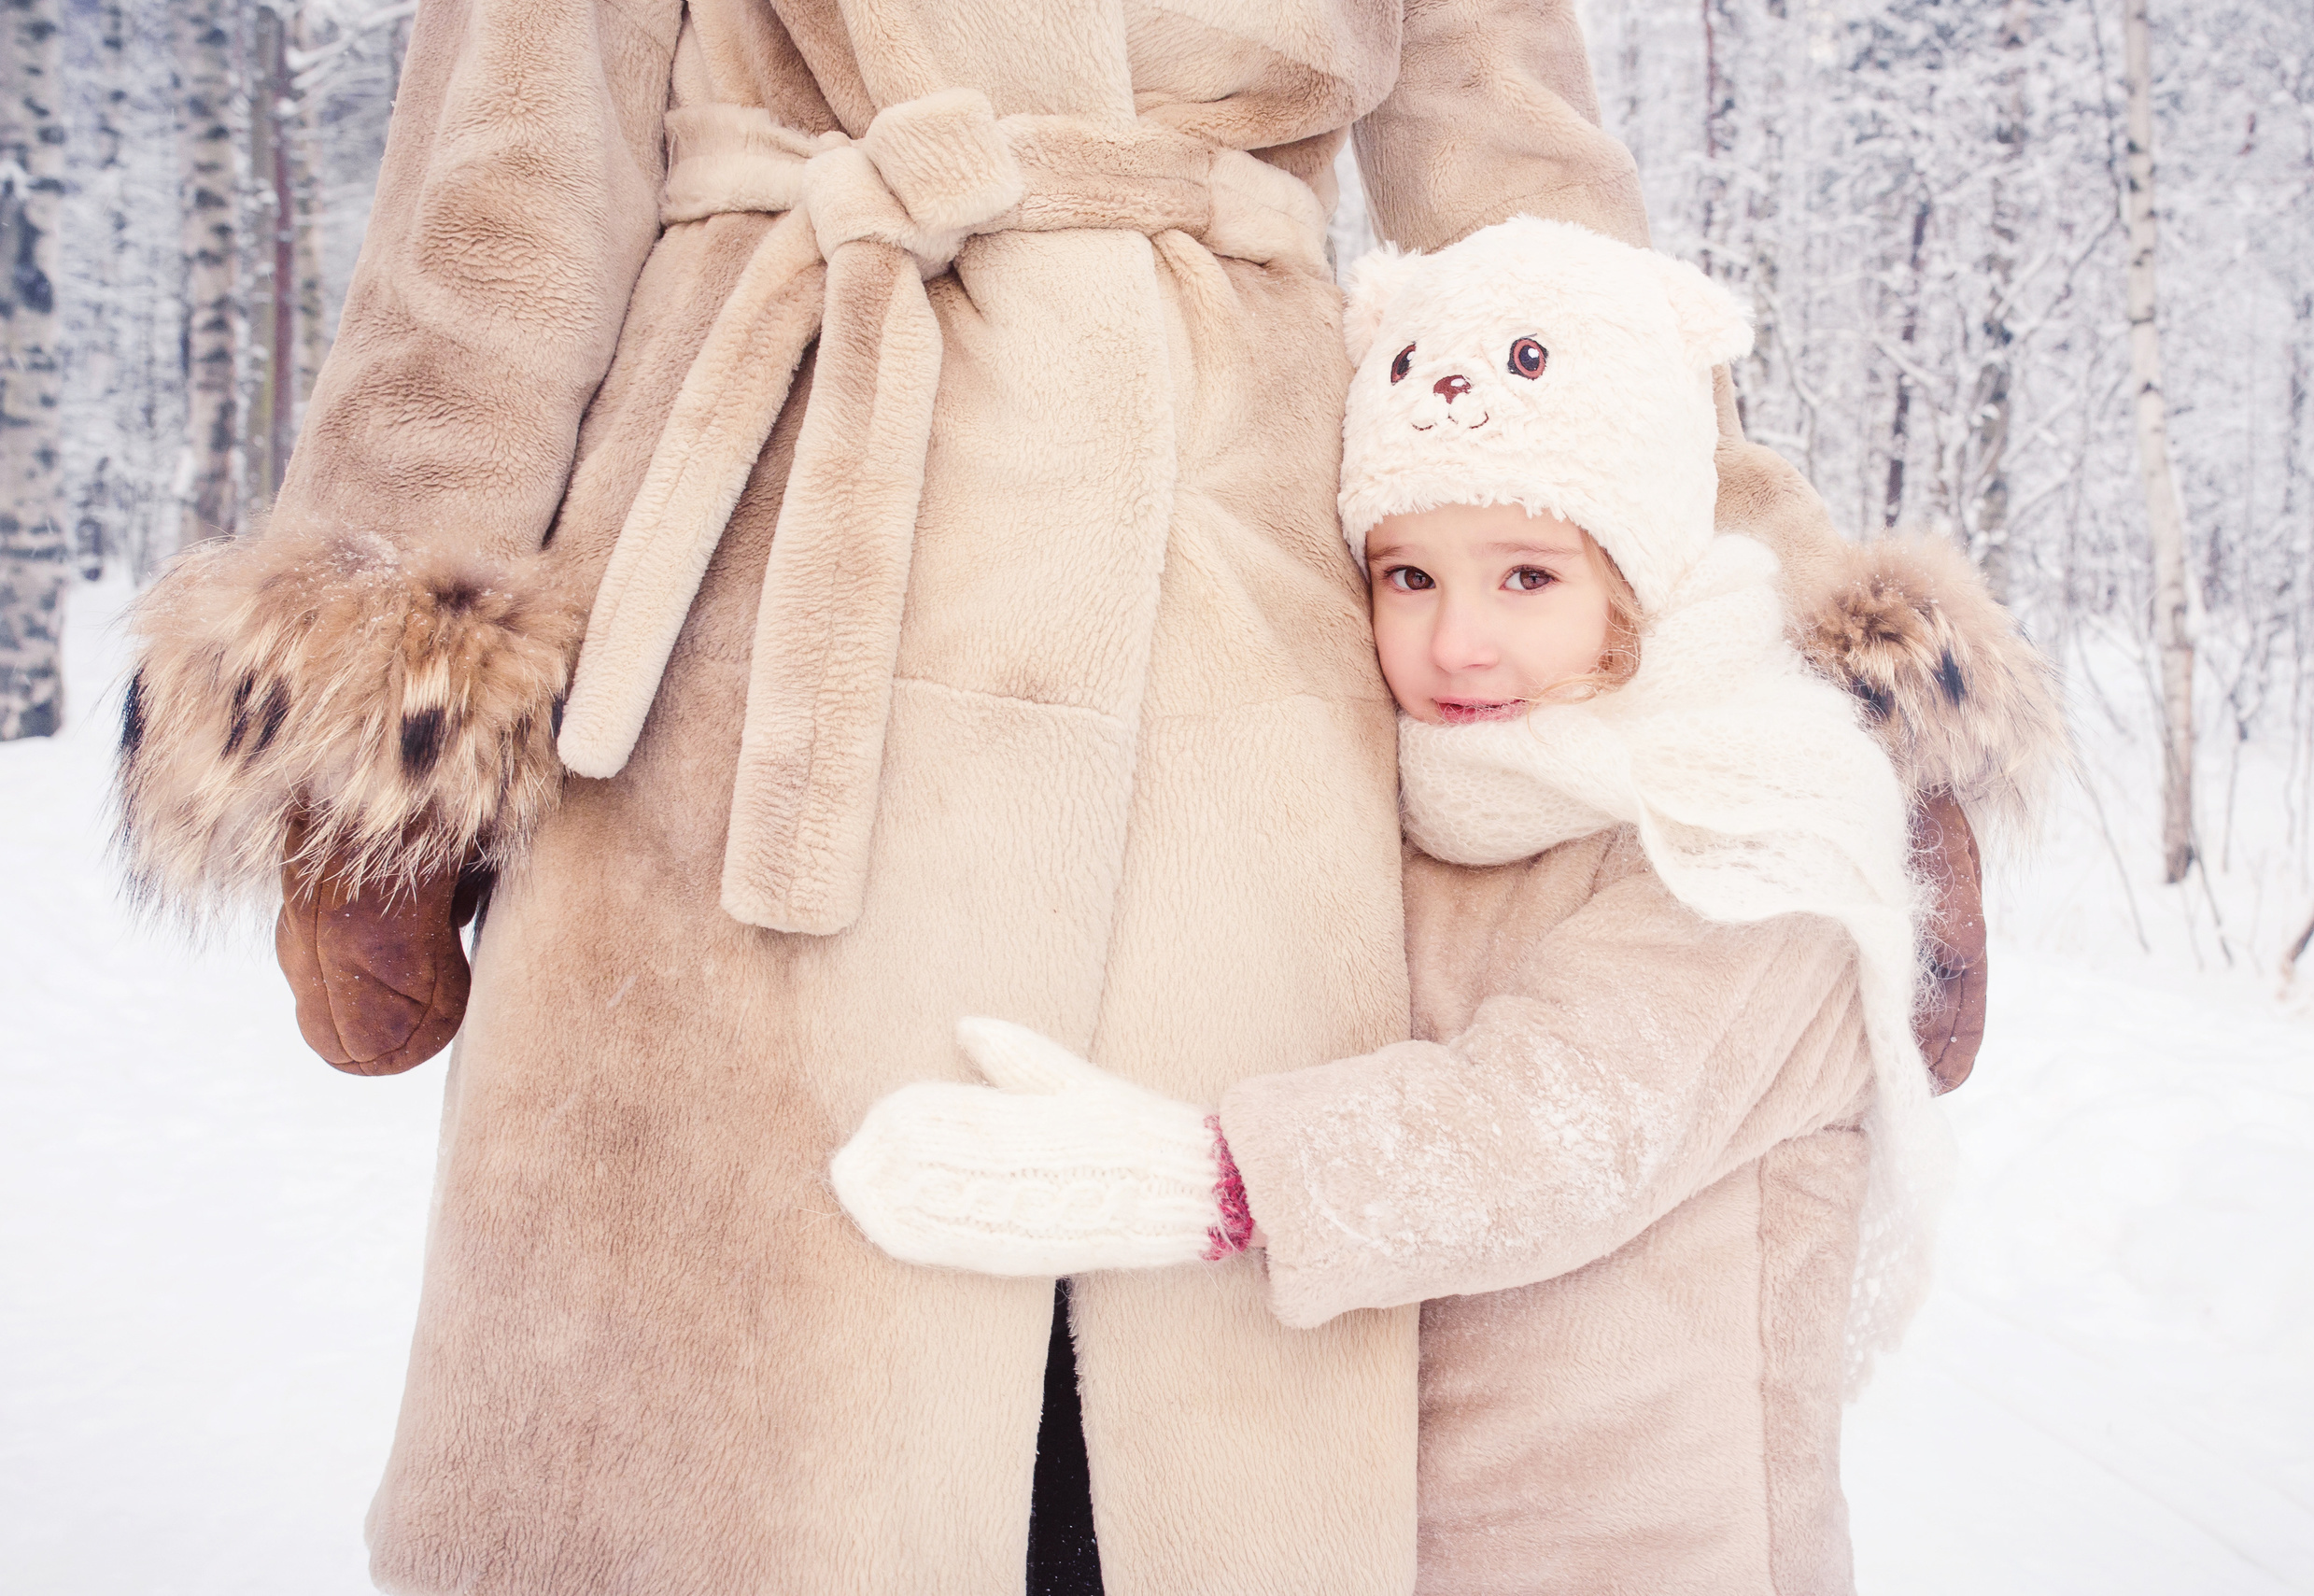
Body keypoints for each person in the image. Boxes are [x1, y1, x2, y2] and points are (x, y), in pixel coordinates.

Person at [110, 3, 2012, 1590]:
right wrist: (384, 675)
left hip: (1246, 644)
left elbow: (1551, 244)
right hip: (765, 596)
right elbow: (507, 179)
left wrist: (1818, 655)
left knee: (1158, 1430)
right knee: (724, 1433)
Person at [832, 219, 2066, 1594]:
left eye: (1527, 575)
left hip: (1664, 1551)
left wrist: (1200, 1178)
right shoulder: (1444, 804)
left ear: (1639, 576)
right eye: (1410, 575)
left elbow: (1549, 1127)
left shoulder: (1759, 832)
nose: (1458, 640)